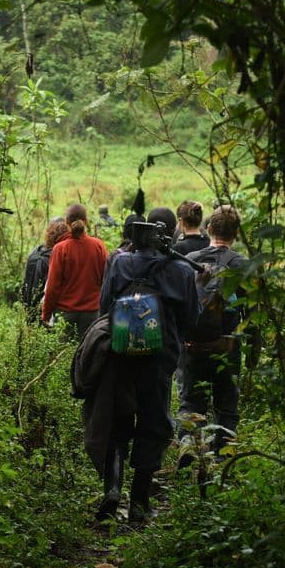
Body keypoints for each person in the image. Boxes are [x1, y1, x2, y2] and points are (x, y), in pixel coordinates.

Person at [85, 208, 200, 524]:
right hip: (159, 360)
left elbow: (105, 306)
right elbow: (192, 317)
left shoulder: (119, 262)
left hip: (119, 355)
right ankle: (139, 504)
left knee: (118, 420)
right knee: (153, 425)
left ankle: (112, 489)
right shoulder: (181, 270)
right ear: (171, 233)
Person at [175, 204, 259, 467]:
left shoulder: (190, 261)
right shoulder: (243, 265)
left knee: (190, 400)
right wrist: (253, 352)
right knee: (226, 406)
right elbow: (253, 314)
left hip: (192, 346)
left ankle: (188, 443)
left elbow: (178, 305)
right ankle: (221, 464)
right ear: (236, 233)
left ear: (209, 228)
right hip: (227, 345)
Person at [41, 204, 108, 339]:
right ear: (86, 221)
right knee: (87, 356)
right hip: (92, 313)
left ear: (66, 222)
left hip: (66, 314)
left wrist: (46, 314)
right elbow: (106, 279)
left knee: (64, 356)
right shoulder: (98, 246)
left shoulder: (60, 249)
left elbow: (53, 286)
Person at [20, 218, 68, 324]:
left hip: (29, 309)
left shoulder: (34, 252)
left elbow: (24, 285)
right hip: (46, 314)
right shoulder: (55, 257)